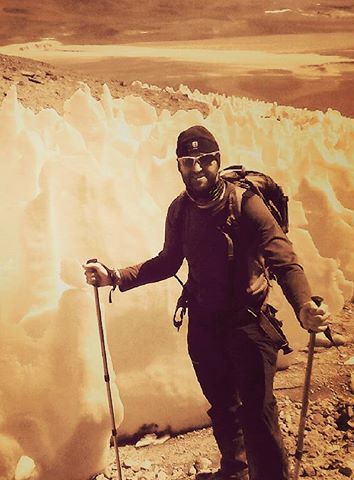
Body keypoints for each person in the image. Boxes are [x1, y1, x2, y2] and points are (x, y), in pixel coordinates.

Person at [84, 125, 330, 480]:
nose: (196, 168)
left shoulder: (246, 205)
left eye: (204, 160)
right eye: (188, 161)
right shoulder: (180, 210)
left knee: (257, 412)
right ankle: (236, 469)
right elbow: (168, 261)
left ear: (217, 161)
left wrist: (304, 304)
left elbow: (283, 258)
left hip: (248, 324)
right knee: (224, 406)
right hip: (205, 324)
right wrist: (117, 276)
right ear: (179, 166)